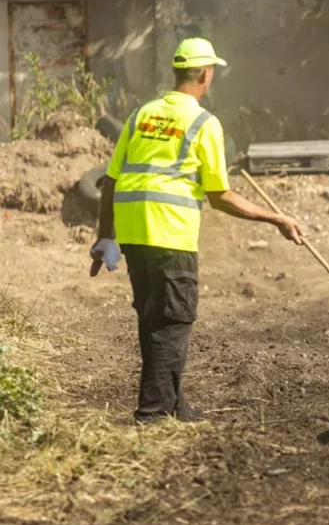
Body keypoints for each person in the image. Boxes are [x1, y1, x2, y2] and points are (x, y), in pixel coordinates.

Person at [89, 37, 306, 424]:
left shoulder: (141, 114)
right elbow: (221, 197)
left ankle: (172, 403)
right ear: (206, 74)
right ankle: (153, 416)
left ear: (178, 72)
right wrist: (277, 220)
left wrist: (105, 236)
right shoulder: (204, 123)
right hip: (170, 235)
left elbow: (110, 181)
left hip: (135, 235)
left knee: (154, 318)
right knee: (173, 323)